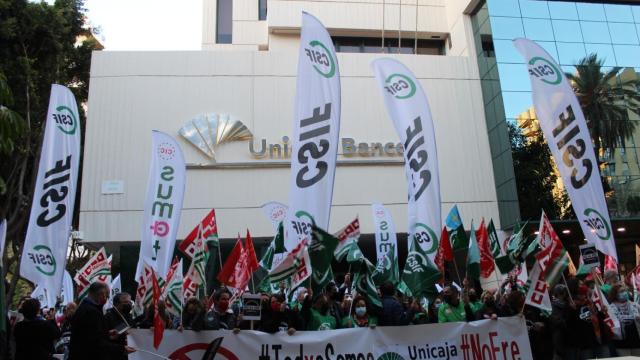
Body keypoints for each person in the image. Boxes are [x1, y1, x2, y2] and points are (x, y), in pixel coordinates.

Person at [69, 282, 135, 359]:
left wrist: (107, 334)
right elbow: (96, 343)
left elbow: (90, 335)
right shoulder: (93, 312)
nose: (106, 299)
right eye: (107, 296)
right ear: (102, 295)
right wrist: (122, 349)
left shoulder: (83, 308)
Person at [609, 283, 640, 355]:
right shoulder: (611, 308)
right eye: (621, 291)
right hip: (621, 342)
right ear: (615, 294)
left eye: (625, 291)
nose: (624, 293)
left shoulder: (634, 305)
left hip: (636, 340)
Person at [104, 292, 133, 360]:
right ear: (117, 303)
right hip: (114, 355)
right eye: (125, 302)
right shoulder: (108, 316)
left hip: (128, 354)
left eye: (130, 302)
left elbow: (132, 327)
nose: (129, 304)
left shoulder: (128, 316)